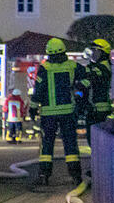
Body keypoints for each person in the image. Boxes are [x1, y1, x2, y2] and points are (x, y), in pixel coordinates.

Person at [32, 37, 90, 185]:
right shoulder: (73, 66)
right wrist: (79, 93)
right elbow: (88, 79)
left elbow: (38, 91)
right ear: (64, 51)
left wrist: (33, 108)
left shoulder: (44, 68)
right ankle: (76, 176)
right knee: (70, 144)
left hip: (48, 114)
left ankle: (44, 175)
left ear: (49, 54)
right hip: (68, 113)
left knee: (47, 144)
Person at [83, 38, 113, 147]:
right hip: (95, 110)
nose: (93, 54)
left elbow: (89, 78)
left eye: (96, 51)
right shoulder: (98, 66)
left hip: (98, 112)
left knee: (96, 143)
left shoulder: (102, 67)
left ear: (103, 53)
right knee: (94, 142)